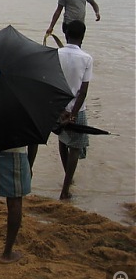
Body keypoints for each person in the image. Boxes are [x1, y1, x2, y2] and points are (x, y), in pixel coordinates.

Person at [56, 20, 93, 200]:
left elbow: (52, 83)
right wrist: (74, 112)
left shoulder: (56, 54)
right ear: (83, 36)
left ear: (66, 34)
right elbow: (83, 90)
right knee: (76, 147)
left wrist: (62, 109)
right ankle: (65, 188)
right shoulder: (86, 58)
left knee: (63, 139)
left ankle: (67, 178)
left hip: (58, 108)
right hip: (77, 109)